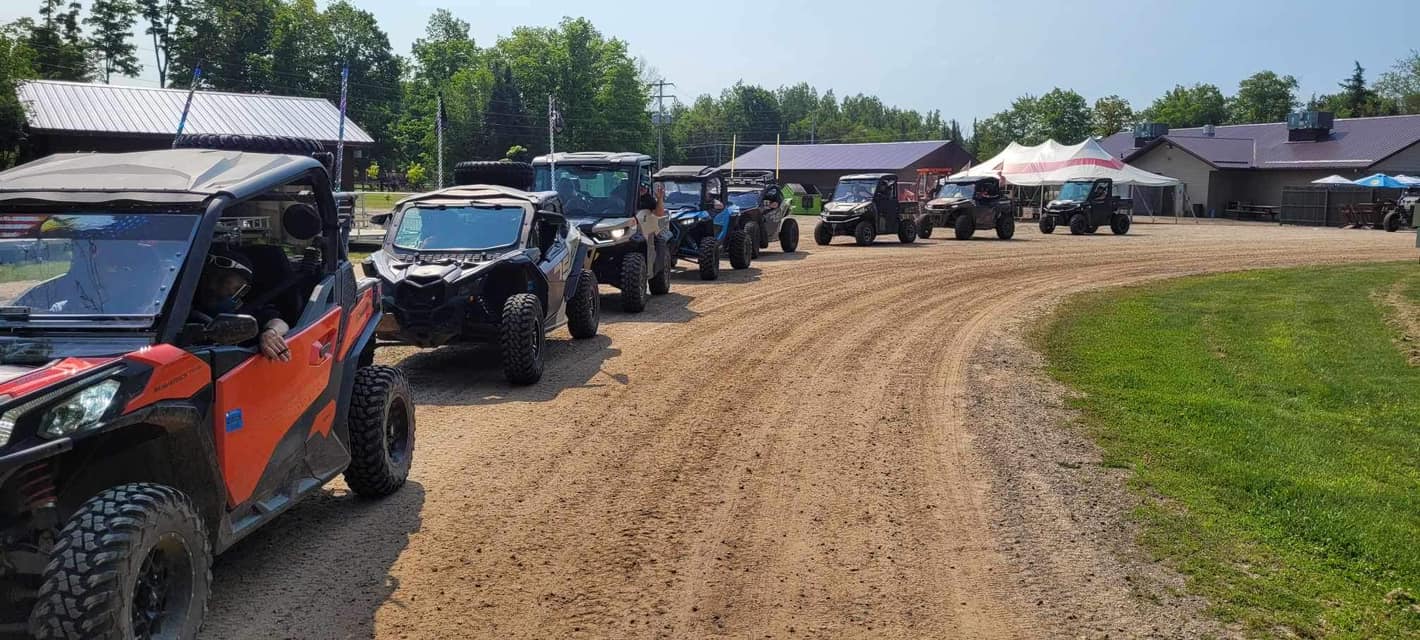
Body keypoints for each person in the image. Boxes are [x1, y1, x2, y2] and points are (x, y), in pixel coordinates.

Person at [194, 246, 291, 362]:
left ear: (242, 289)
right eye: (208, 277)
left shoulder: (246, 312)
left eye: (222, 281)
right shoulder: (181, 305)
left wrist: (270, 333)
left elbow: (279, 322)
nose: (211, 286)